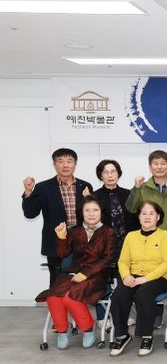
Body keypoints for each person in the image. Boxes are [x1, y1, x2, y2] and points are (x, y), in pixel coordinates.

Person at [125, 150, 167, 328]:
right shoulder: (143, 187)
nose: (159, 167)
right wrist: (136, 188)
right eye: (155, 163)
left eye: (163, 163)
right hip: (150, 242)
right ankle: (156, 315)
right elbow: (131, 208)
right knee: (153, 280)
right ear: (150, 166)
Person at [42, 196, 115, 349]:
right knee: (53, 297)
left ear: (101, 212)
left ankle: (88, 328)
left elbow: (107, 259)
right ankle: (63, 331)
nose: (91, 214)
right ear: (82, 212)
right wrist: (61, 236)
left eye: (95, 210)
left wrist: (86, 273)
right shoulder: (75, 231)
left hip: (96, 275)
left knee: (71, 298)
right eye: (87, 210)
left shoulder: (108, 232)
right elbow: (63, 253)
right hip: (72, 273)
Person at [109, 201, 167, 357]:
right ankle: (122, 335)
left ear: (158, 217)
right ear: (138, 217)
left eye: (151, 213)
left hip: (158, 278)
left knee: (143, 294)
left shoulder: (165, 235)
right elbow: (123, 261)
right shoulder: (131, 236)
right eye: (143, 213)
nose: (147, 217)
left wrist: (146, 278)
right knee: (118, 295)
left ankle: (146, 336)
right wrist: (126, 276)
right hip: (133, 276)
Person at [22, 148, 94, 287]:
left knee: (81, 279)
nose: (65, 165)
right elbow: (30, 213)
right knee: (57, 280)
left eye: (69, 161)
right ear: (54, 165)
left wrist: (88, 199)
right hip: (55, 240)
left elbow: (93, 214)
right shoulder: (43, 187)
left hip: (81, 240)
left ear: (75, 164)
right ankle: (55, 302)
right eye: (60, 161)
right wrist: (28, 192)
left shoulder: (85, 186)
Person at [93, 159, 138, 255]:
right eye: (106, 172)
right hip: (105, 245)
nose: (110, 175)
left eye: (113, 171)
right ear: (101, 176)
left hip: (128, 243)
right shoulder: (95, 197)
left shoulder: (128, 194)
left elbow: (135, 218)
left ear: (118, 174)